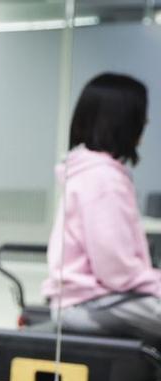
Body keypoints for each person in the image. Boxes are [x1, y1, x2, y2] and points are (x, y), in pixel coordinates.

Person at [41, 72, 161, 346]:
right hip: (93, 304)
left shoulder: (91, 172)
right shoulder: (104, 179)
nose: (146, 122)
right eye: (140, 115)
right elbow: (117, 272)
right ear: (123, 121)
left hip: (92, 300)